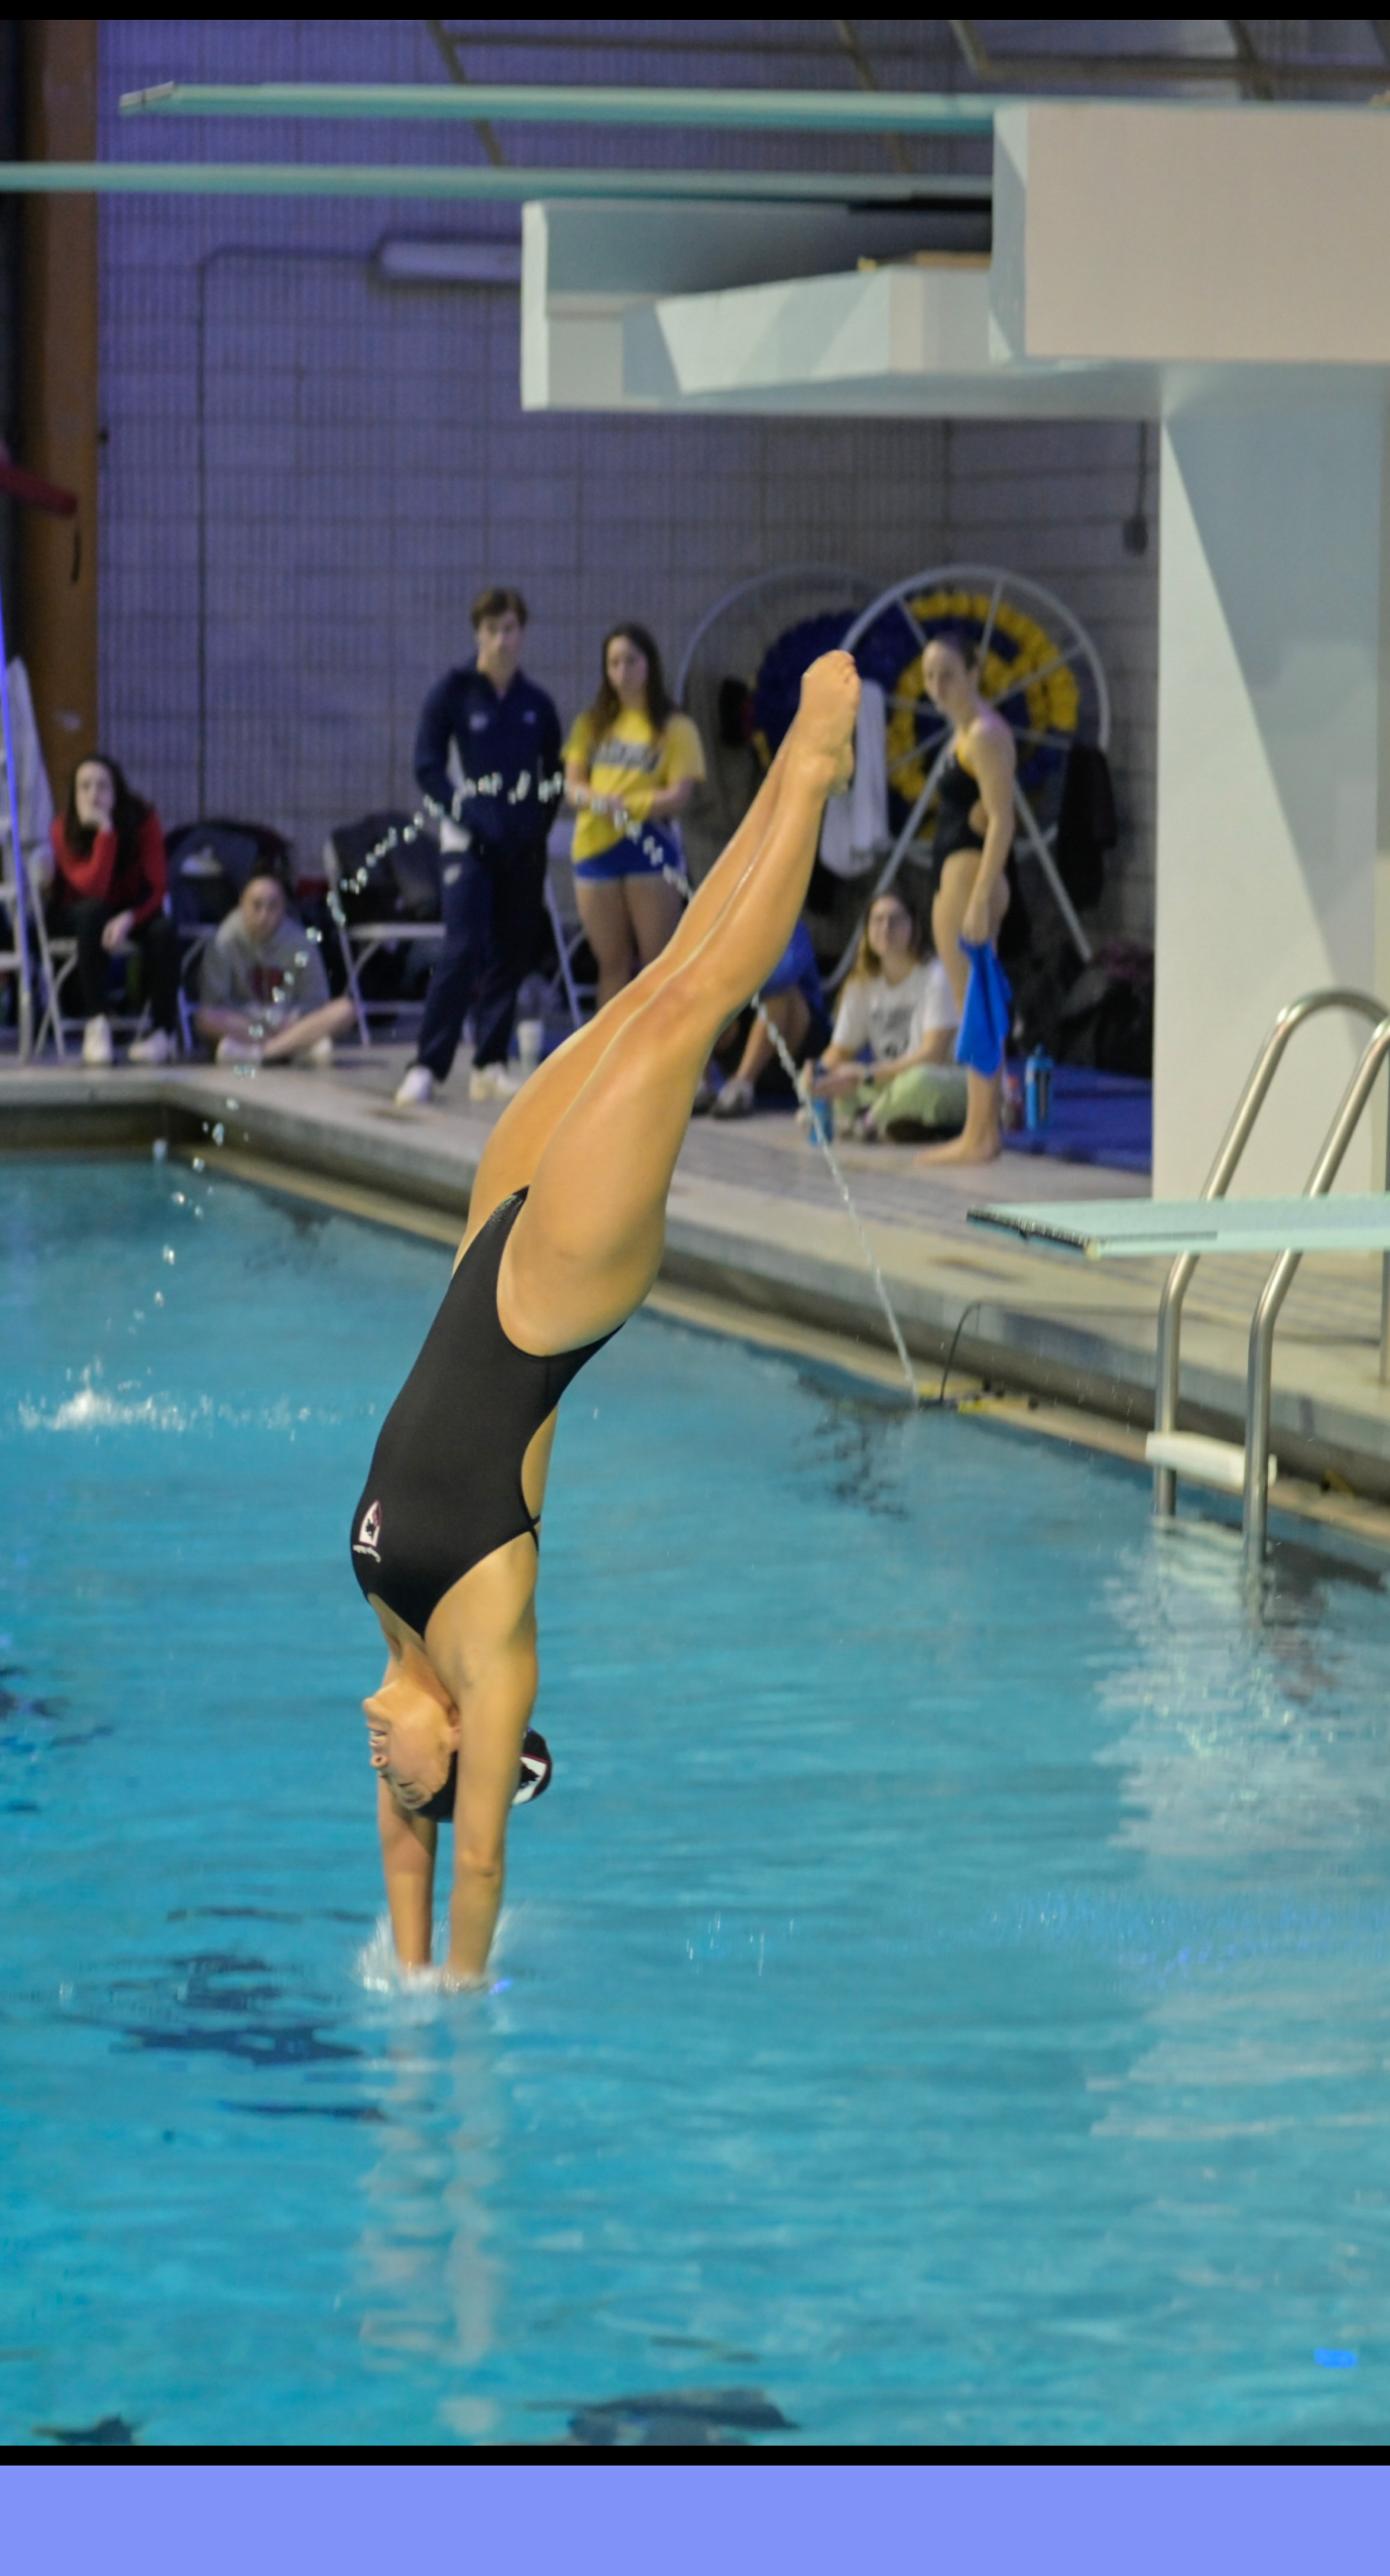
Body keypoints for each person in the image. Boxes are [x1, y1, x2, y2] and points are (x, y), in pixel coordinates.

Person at [349, 645, 862, 1991]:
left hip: (487, 1244)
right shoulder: (488, 1652)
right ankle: (806, 776)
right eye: (412, 1769)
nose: (373, 1747)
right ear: (468, 1749)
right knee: (683, 1012)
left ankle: (771, 792)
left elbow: (406, 1845)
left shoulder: (401, 1646)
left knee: (642, 989)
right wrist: (454, 1994)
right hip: (554, 1294)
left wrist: (397, 1976)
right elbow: (469, 1863)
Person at [401, 586, 568, 1107]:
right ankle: (427, 1065)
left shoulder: (536, 705)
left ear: (522, 633)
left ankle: (489, 1062)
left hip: (521, 850)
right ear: (478, 633)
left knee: (512, 955)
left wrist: (535, 828)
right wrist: (469, 817)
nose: (502, 639)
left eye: (511, 628)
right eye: (493, 629)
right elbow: (427, 768)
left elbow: (555, 775)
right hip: (466, 846)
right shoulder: (452, 694)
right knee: (463, 947)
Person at [911, 626, 1022, 1169]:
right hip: (958, 881)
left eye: (947, 675)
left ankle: (981, 1137)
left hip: (972, 881)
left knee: (977, 1008)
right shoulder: (964, 734)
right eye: (930, 676)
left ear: (974, 675)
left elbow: (1004, 820)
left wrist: (978, 899)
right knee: (973, 1006)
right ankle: (981, 1130)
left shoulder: (984, 733)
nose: (936, 686)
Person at [562, 620, 707, 1004]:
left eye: (631, 661)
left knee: (658, 964)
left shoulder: (675, 727)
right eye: (614, 663)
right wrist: (596, 800)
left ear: (649, 665)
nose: (623, 672)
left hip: (648, 845)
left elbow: (679, 794)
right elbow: (573, 785)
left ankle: (665, 1058)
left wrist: (629, 805)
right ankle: (609, 1059)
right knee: (612, 964)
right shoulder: (590, 725)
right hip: (595, 848)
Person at [45, 754, 179, 1065]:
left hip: (131, 910)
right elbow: (91, 890)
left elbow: (158, 887)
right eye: (85, 787)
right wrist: (105, 833)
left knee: (164, 930)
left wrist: (129, 919)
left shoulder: (144, 820)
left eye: (102, 786)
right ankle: (97, 1023)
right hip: (80, 913)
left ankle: (163, 1033)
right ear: (74, 794)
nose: (93, 795)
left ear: (117, 792)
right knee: (93, 912)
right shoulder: (62, 828)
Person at [804, 890, 961, 1139]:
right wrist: (819, 1073)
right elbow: (840, 1051)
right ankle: (889, 1120)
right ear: (866, 930)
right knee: (831, 1086)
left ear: (914, 928)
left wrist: (864, 1074)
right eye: (877, 920)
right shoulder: (861, 984)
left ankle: (870, 1119)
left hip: (940, 1077)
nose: (886, 927)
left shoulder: (934, 976)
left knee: (919, 1082)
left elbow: (933, 1054)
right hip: (888, 1081)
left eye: (896, 920)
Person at [190, 868, 357, 1067]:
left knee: (346, 1009)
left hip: (291, 1022)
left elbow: (316, 1000)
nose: (264, 915)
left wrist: (288, 1018)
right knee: (204, 1018)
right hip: (246, 1024)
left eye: (272, 907)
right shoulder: (224, 940)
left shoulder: (300, 943)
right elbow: (215, 1003)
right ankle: (296, 1048)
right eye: (256, 906)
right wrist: (257, 1019)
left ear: (283, 909)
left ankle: (264, 1054)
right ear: (242, 905)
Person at [706, 905, 839, 1120]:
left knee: (781, 996)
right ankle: (701, 1084)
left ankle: (742, 1085)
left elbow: (782, 977)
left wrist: (741, 973)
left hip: (793, 1048)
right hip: (743, 1039)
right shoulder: (725, 927)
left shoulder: (790, 925)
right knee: (705, 998)